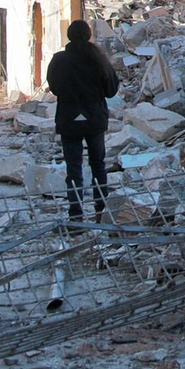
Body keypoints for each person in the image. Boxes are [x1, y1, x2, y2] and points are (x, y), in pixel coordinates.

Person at [45, 20, 120, 220]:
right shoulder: (99, 59)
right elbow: (111, 90)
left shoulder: (59, 60)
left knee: (74, 169)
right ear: (89, 36)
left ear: (69, 36)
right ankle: (101, 210)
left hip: (69, 120)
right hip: (94, 120)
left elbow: (54, 88)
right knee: (98, 165)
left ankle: (76, 214)